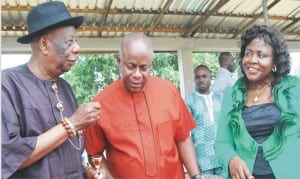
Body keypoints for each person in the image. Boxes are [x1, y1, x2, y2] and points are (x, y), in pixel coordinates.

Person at [1, 1, 101, 178]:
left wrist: (86, 171)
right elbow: (8, 157)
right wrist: (72, 123)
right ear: (45, 44)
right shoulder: (8, 84)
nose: (77, 48)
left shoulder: (65, 88)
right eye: (69, 42)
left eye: (76, 41)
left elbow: (71, 151)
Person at [84, 32, 201, 178]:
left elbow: (183, 138)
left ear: (151, 64)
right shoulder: (101, 105)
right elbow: (94, 152)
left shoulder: (169, 91)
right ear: (119, 61)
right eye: (131, 66)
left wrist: (196, 176)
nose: (137, 74)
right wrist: (103, 173)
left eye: (143, 68)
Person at [214, 25, 300, 179]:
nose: (252, 60)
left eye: (261, 55)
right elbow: (221, 142)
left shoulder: (294, 89)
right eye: (248, 54)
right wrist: (231, 160)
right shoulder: (231, 96)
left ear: (275, 62)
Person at [185, 65, 225, 178]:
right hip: (202, 157)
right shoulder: (189, 100)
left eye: (204, 76)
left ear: (210, 77)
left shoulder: (220, 98)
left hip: (221, 155)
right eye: (197, 77)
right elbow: (186, 133)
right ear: (194, 80)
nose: (201, 79)